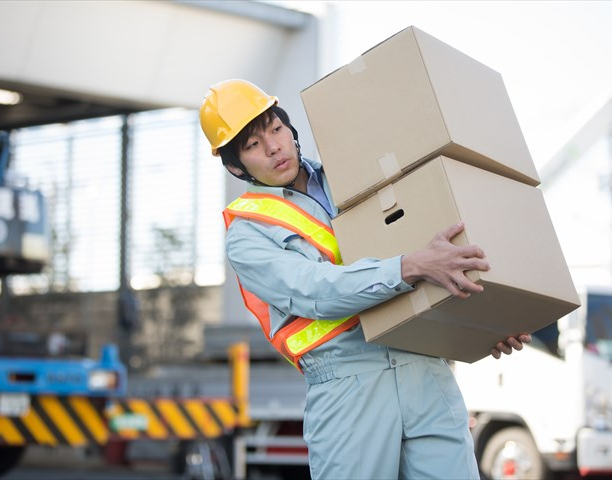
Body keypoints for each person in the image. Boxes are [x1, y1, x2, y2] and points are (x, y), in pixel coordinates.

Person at [200, 79, 531, 480]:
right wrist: (409, 267)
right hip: (347, 386)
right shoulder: (247, 234)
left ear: (291, 129)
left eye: (275, 128)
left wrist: (485, 325)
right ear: (236, 166)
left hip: (424, 365)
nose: (273, 147)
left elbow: (438, 245)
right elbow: (314, 290)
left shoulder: (358, 177)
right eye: (252, 145)